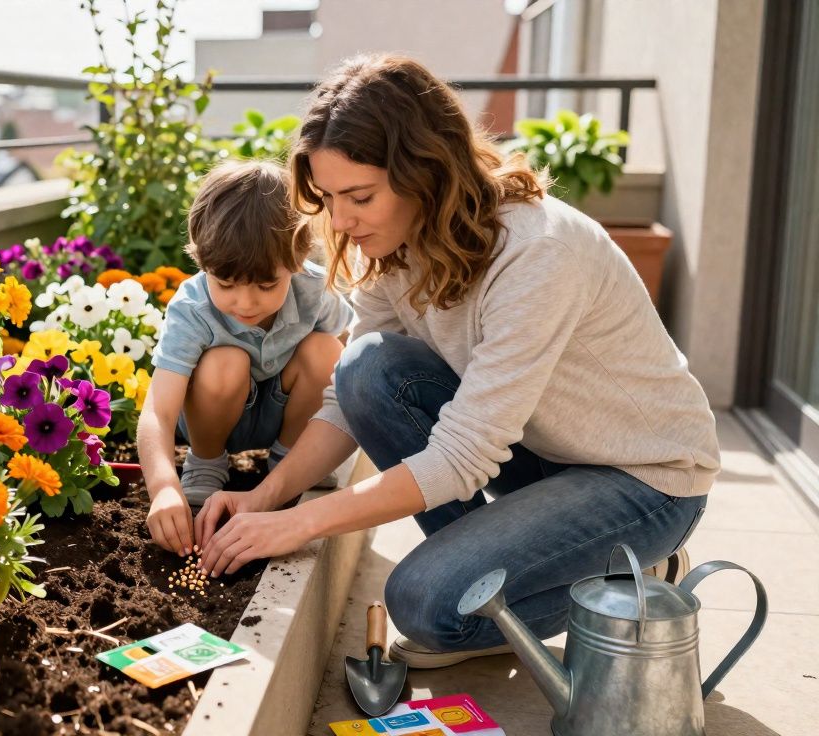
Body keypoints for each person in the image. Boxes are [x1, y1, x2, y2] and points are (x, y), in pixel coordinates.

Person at [193, 54, 719, 670]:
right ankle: (489, 575)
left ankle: (630, 576)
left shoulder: (536, 253)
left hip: (642, 479)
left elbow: (464, 455)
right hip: (543, 453)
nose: (340, 221)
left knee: (423, 604)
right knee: (366, 367)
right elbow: (346, 397)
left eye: (359, 196)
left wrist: (304, 522)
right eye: (329, 198)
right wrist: (267, 496)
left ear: (425, 172)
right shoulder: (394, 245)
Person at [140, 159, 353, 556]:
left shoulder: (311, 288)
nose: (245, 301)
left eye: (266, 284)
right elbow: (158, 410)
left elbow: (345, 350)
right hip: (213, 417)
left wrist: (321, 435)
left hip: (281, 414)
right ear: (202, 262)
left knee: (327, 351)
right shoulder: (194, 308)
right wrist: (163, 486)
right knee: (226, 361)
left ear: (297, 259)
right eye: (227, 284)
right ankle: (206, 463)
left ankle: (290, 462)